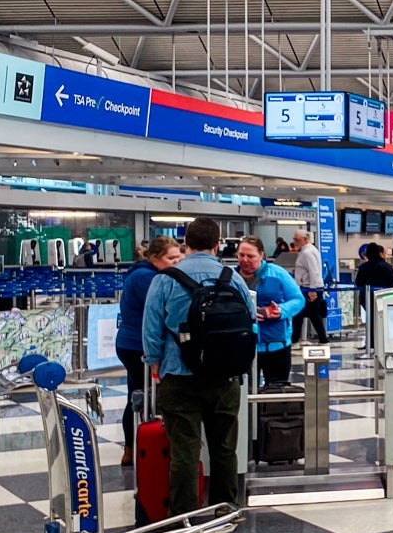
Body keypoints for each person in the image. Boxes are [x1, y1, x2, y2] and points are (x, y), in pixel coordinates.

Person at [141, 216, 256, 516]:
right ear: (218, 244)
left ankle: (184, 516)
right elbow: (251, 320)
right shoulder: (233, 279)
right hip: (224, 377)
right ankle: (225, 509)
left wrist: (155, 364)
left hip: (179, 378)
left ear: (185, 243)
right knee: (223, 448)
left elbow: (151, 332)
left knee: (185, 453)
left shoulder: (164, 280)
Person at [116, 237, 184, 463]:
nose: (177, 262)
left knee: (136, 393)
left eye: (179, 257)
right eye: (171, 258)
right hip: (137, 345)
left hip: (130, 342)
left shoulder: (145, 273)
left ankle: (134, 447)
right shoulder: (147, 278)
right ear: (154, 258)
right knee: (142, 396)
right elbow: (161, 310)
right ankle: (138, 446)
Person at [236, 236, 305, 389]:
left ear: (261, 255)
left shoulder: (278, 274)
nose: (245, 260)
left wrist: (280, 311)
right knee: (243, 393)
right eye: (241, 255)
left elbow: (298, 300)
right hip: (242, 346)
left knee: (276, 392)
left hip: (276, 345)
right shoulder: (230, 278)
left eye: (250, 256)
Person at [354, 242, 393, 346]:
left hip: (367, 298)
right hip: (384, 298)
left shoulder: (364, 267)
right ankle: (383, 343)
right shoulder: (386, 266)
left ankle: (370, 342)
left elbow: (358, 282)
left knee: (371, 320)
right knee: (383, 321)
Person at [289, 229, 328, 345]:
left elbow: (313, 271)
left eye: (297, 239)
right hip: (309, 287)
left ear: (305, 239)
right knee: (307, 314)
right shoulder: (309, 250)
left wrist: (312, 289)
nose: (295, 241)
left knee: (307, 314)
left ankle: (296, 339)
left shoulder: (307, 252)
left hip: (308, 288)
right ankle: (320, 338)